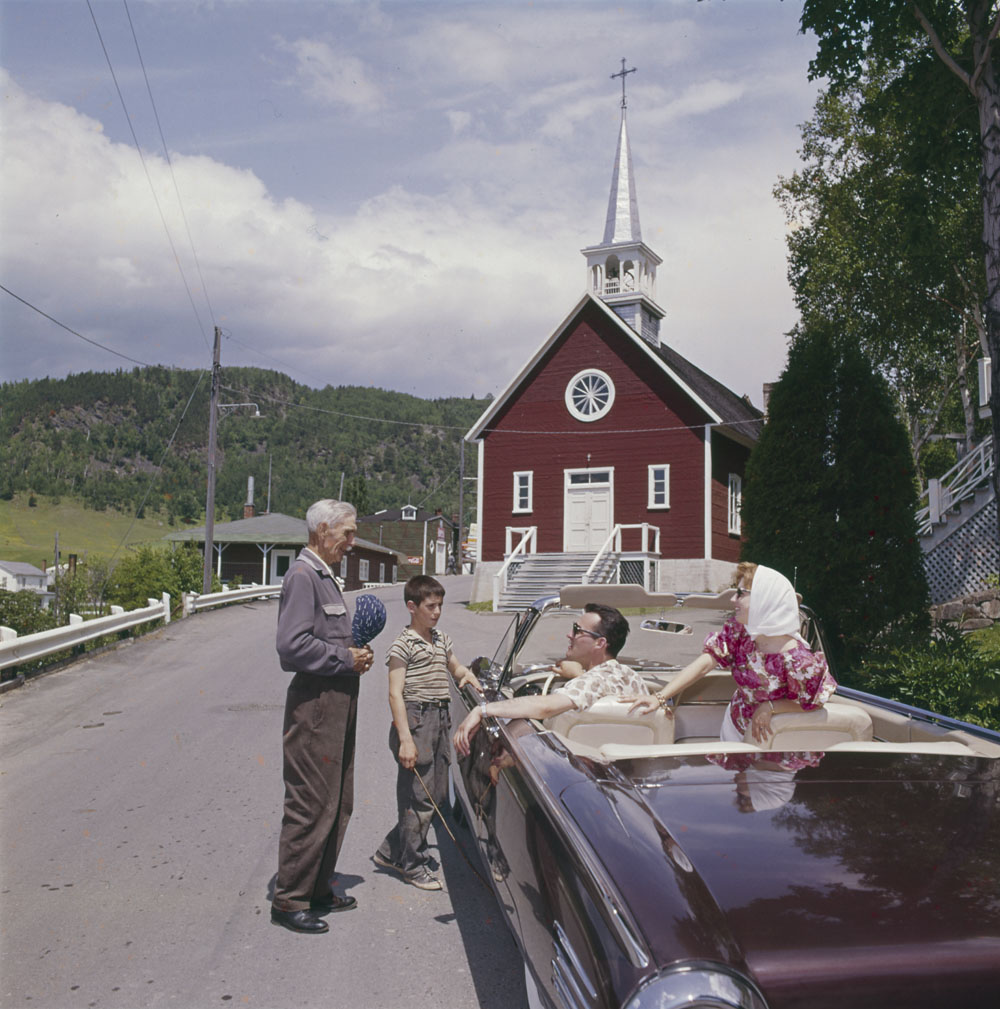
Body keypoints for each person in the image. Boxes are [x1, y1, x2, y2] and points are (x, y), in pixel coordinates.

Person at [271, 499, 374, 935]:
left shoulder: (324, 576)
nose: (351, 542)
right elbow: (291, 647)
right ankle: (290, 899)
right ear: (322, 531)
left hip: (336, 703)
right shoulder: (302, 576)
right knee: (311, 802)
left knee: (337, 801)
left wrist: (356, 654)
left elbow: (329, 636)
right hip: (315, 706)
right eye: (346, 533)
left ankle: (316, 887)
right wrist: (342, 658)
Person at [629, 562, 836, 743]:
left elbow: (811, 703)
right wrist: (660, 697)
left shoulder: (802, 662)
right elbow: (704, 665)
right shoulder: (739, 633)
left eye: (740, 594)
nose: (732, 600)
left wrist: (770, 707)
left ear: (765, 600)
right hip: (733, 727)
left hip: (777, 741)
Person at [372, 575, 480, 890]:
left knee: (436, 796)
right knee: (417, 796)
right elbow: (395, 694)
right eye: (430, 606)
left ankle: (391, 851)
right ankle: (412, 865)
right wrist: (406, 739)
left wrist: (467, 676)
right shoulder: (401, 645)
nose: (436, 612)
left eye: (440, 606)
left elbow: (455, 667)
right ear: (412, 606)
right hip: (416, 722)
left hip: (441, 719)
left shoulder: (441, 639)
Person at [453, 603, 648, 757]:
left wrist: (482, 710)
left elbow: (544, 707)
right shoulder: (634, 680)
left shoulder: (590, 682)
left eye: (577, 630)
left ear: (600, 643)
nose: (569, 635)